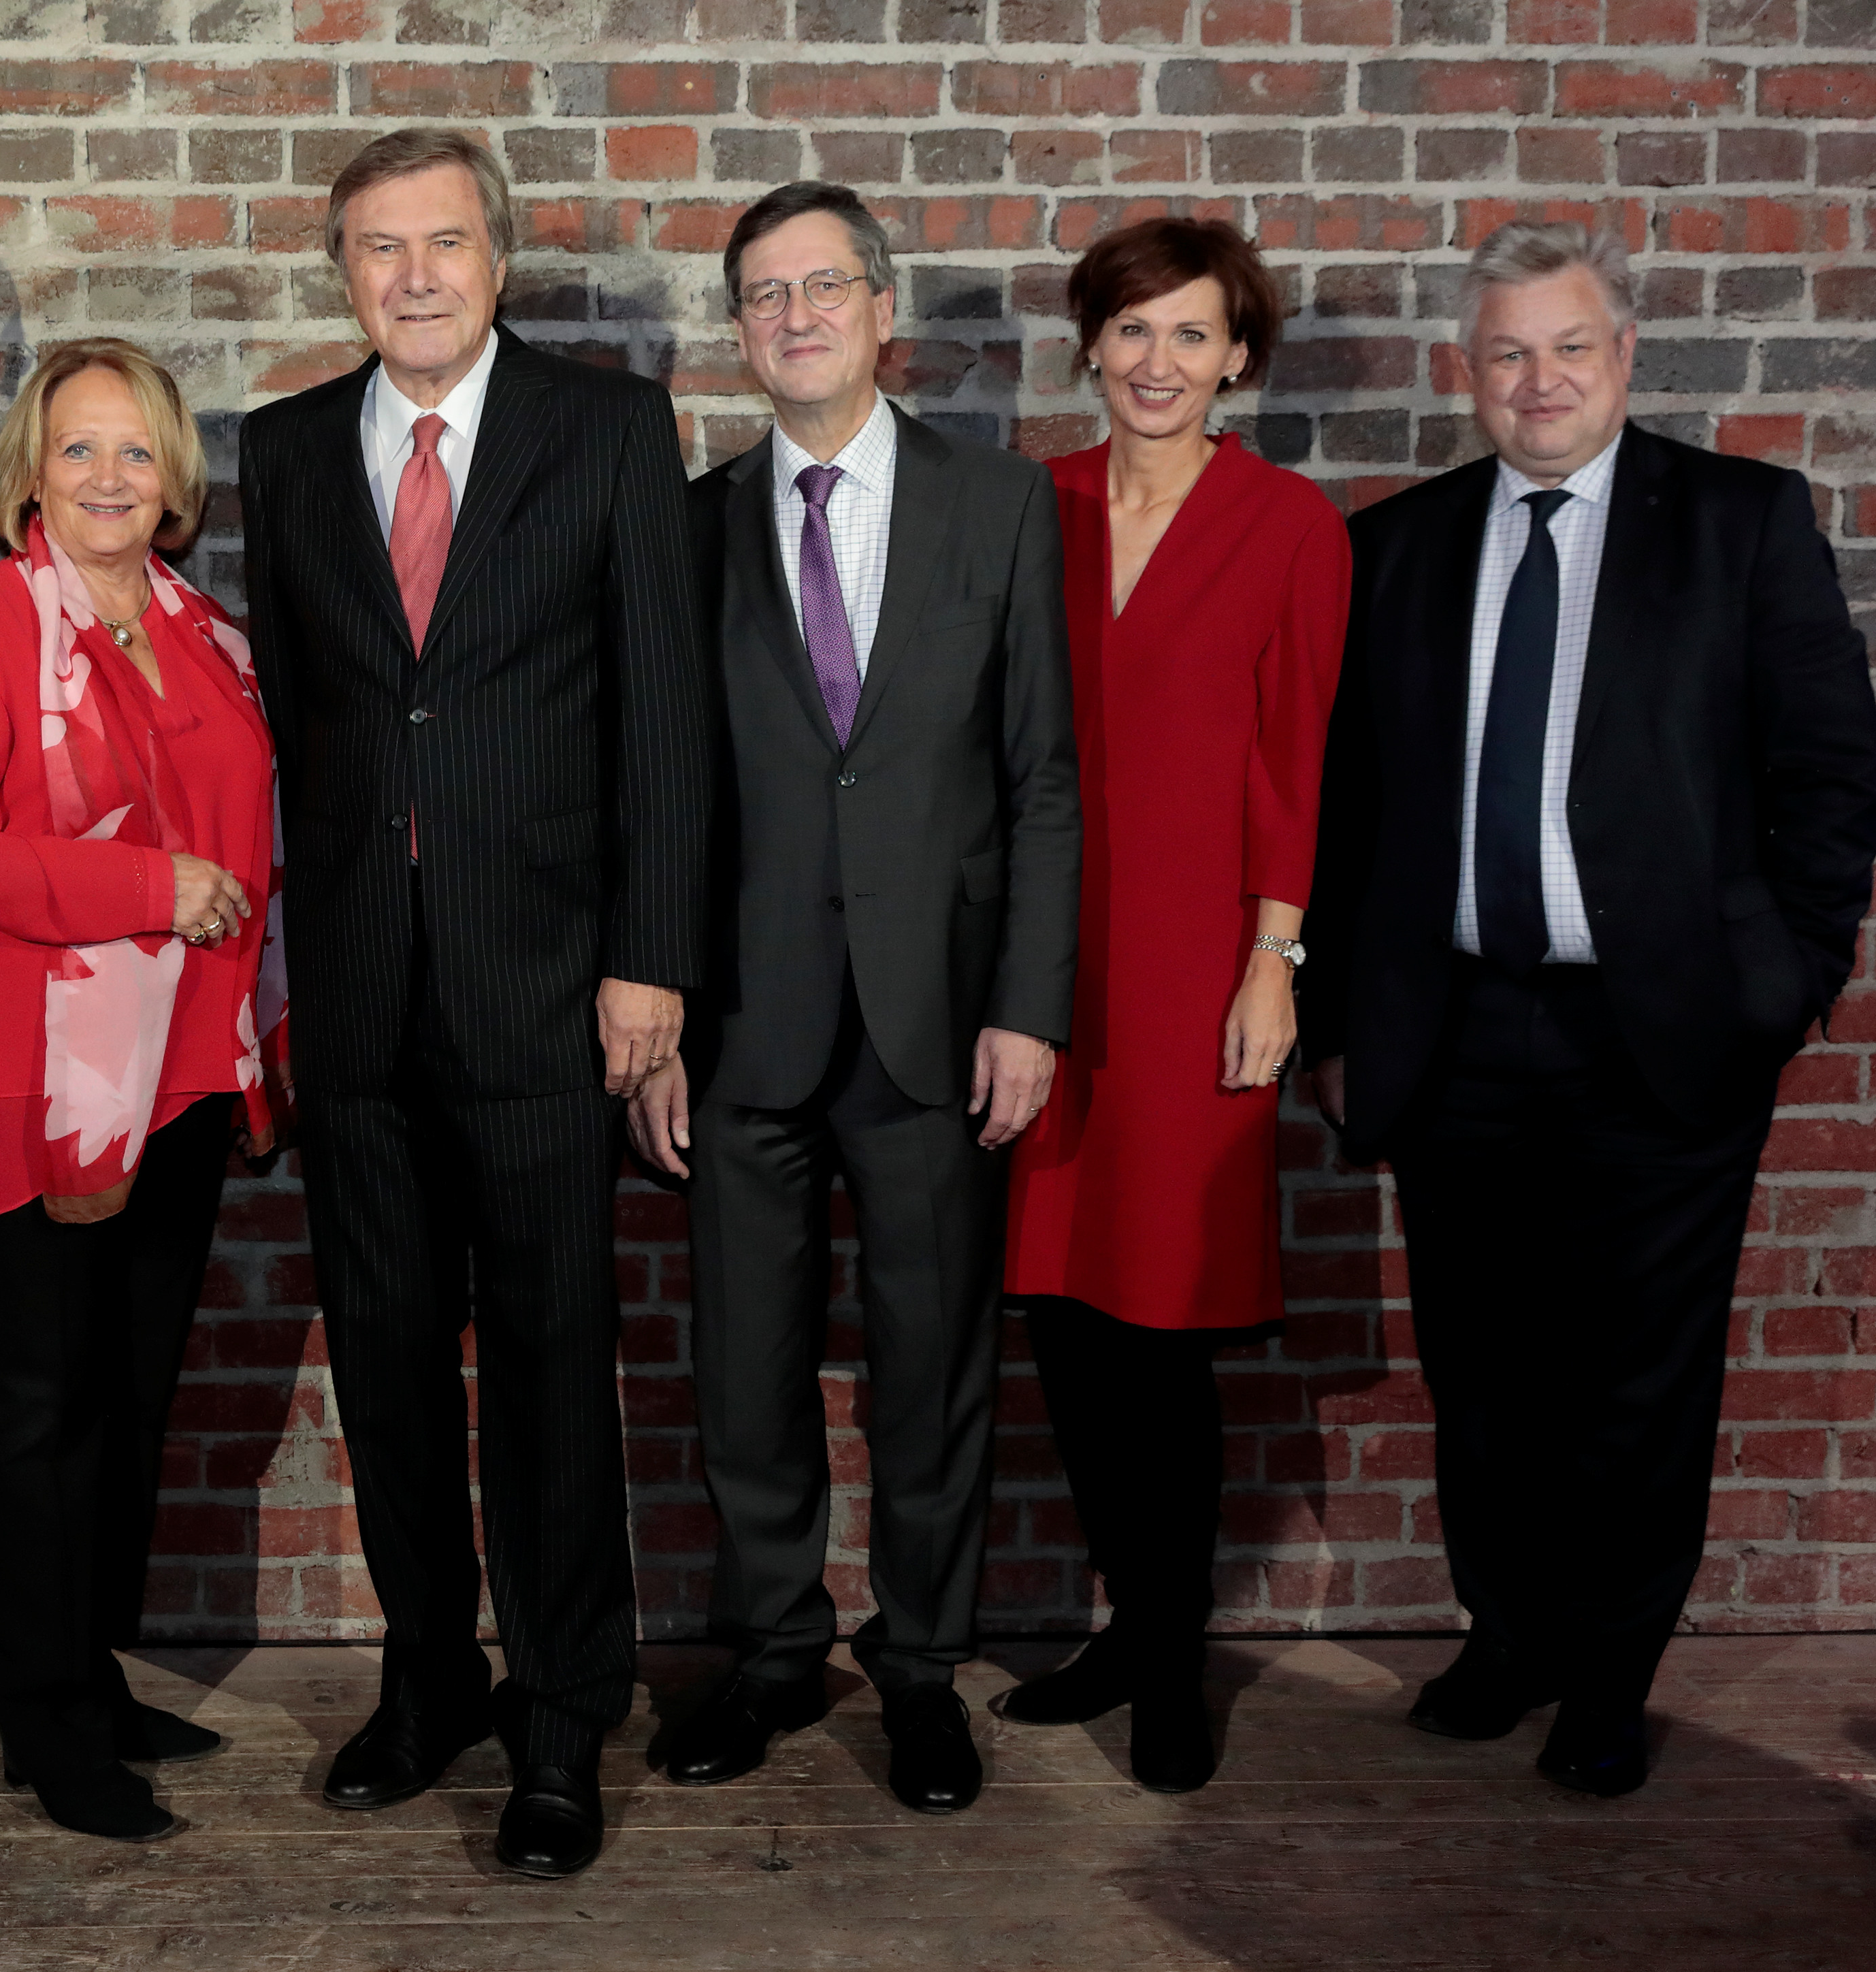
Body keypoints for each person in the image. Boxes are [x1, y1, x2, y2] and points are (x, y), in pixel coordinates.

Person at [1303, 220, 1876, 1797]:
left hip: (1664, 1036)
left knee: (1641, 1377)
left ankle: (1612, 1676)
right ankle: (1510, 1638)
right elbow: (1348, 814)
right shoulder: (1397, 548)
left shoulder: (1741, 524)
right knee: (1483, 1369)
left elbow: (1834, 777)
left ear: (1624, 357)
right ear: (1468, 372)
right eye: (1509, 353)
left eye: (1571, 347)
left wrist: (1781, 985)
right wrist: (1341, 1020)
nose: (1540, 380)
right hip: (1455, 1028)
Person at [239, 128, 713, 1879]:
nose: (415, 277)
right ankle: (427, 1676)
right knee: (384, 1363)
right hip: (361, 991)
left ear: (498, 262)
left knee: (549, 1367)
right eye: (380, 248)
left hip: (544, 991)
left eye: (444, 242)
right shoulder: (288, 448)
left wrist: (651, 961)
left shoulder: (607, 429)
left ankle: (564, 1711)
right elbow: (300, 724)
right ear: (343, 274)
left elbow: (664, 713)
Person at [630, 182, 1078, 1817]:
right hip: (741, 1027)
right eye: (764, 294)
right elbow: (658, 792)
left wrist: (1029, 1007)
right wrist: (659, 1020)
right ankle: (767, 1656)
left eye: (825, 285)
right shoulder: (689, 527)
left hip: (935, 1021)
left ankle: (923, 1671)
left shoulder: (997, 506)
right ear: (738, 334)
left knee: (931, 1370)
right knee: (745, 1372)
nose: (796, 316)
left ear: (884, 312)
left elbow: (1042, 778)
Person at [0, 338, 277, 1844]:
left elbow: (259, 847)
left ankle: (91, 1680)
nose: (110, 477)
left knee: (124, 1401)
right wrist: (143, 888)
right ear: (30, 475)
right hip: (20, 1084)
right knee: (32, 1415)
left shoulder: (208, 634)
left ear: (175, 479)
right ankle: (46, 1728)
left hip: (174, 1085)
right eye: (79, 449)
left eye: (137, 450)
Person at [992, 216, 1351, 1793]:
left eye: (1191, 334)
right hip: (1041, 973)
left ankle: (1172, 1657)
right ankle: (1129, 1629)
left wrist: (1279, 958)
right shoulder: (1035, 505)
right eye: (1132, 330)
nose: (1158, 361)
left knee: (1164, 1331)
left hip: (1202, 969)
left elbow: (1300, 757)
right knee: (1068, 1321)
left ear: (1238, 359)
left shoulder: (1289, 526)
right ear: (1092, 344)